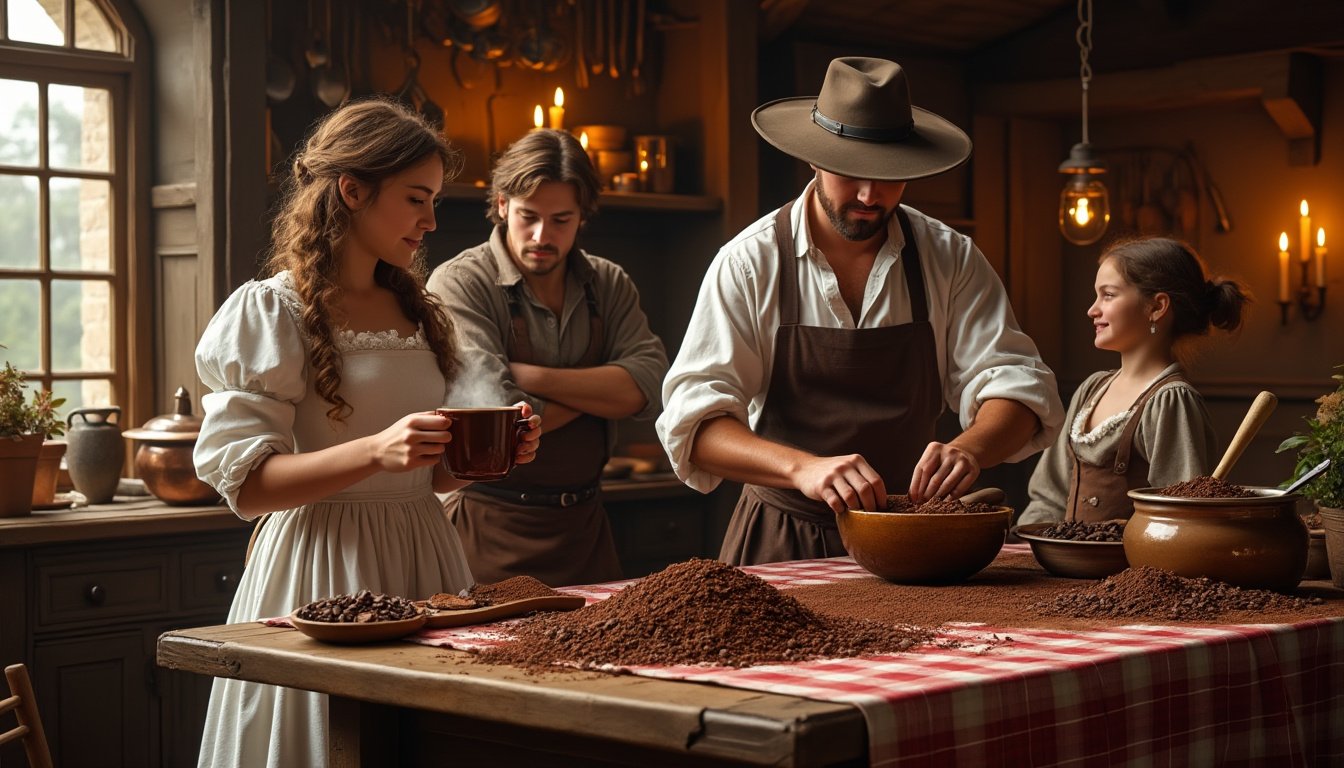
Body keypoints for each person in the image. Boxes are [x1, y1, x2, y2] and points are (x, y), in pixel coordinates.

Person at [191, 98, 542, 768]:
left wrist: (484, 457)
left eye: (434, 200)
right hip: (321, 570)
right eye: (415, 199)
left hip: (427, 558)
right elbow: (251, 488)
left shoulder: (422, 314)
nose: (431, 221)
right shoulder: (273, 310)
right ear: (353, 191)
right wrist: (375, 451)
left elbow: (430, 477)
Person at [657, 57, 1065, 566]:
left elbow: (1018, 388)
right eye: (852, 173)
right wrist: (801, 468)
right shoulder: (748, 263)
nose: (870, 196)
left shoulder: (949, 256)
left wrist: (972, 448)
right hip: (785, 541)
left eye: (890, 176)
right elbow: (695, 426)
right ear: (814, 159)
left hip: (915, 540)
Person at [427, 128, 668, 587]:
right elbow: (495, 419)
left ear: (582, 216)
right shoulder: (459, 282)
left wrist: (532, 376)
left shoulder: (609, 282)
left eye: (561, 219)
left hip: (587, 527)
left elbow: (650, 385)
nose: (542, 235)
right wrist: (600, 393)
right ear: (501, 205)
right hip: (489, 524)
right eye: (528, 216)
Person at [1019, 237, 1249, 525]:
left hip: (1134, 568)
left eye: (1109, 295)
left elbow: (1180, 519)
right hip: (1064, 566)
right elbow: (1048, 496)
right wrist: (1025, 545)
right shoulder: (1091, 389)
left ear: (1157, 307)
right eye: (1096, 295)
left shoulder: (1171, 400)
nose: (1093, 309)